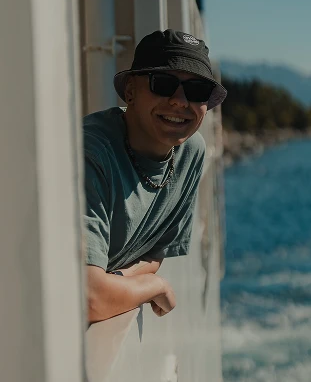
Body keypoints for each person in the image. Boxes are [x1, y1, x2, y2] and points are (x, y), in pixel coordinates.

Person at [84, 29, 227, 322]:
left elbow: (154, 251)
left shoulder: (191, 152)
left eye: (197, 91)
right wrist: (152, 285)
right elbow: (88, 297)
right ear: (130, 91)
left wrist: (120, 279)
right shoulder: (90, 155)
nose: (179, 101)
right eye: (163, 84)